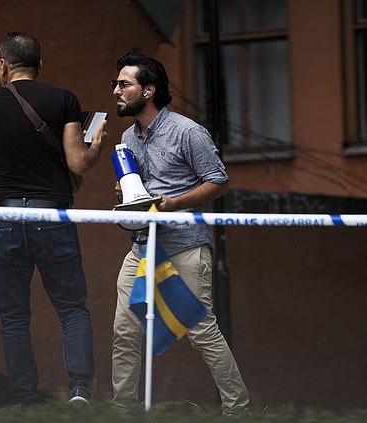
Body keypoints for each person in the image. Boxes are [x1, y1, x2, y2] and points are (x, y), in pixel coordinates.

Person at [110, 49, 250, 416]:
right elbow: (140, 188)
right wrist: (127, 193)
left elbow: (219, 181)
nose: (116, 91)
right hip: (142, 244)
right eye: (116, 84)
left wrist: (175, 202)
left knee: (202, 332)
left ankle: (239, 410)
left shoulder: (188, 131)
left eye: (124, 84)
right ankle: (122, 411)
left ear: (148, 90)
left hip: (185, 244)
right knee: (125, 330)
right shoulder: (127, 136)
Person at [0, 32, 106, 406]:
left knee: (14, 316)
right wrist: (95, 147)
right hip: (52, 216)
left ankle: (24, 398)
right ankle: (79, 391)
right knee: (72, 308)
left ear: (2, 64)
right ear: (40, 66)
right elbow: (78, 162)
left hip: (6, 217)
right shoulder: (62, 99)